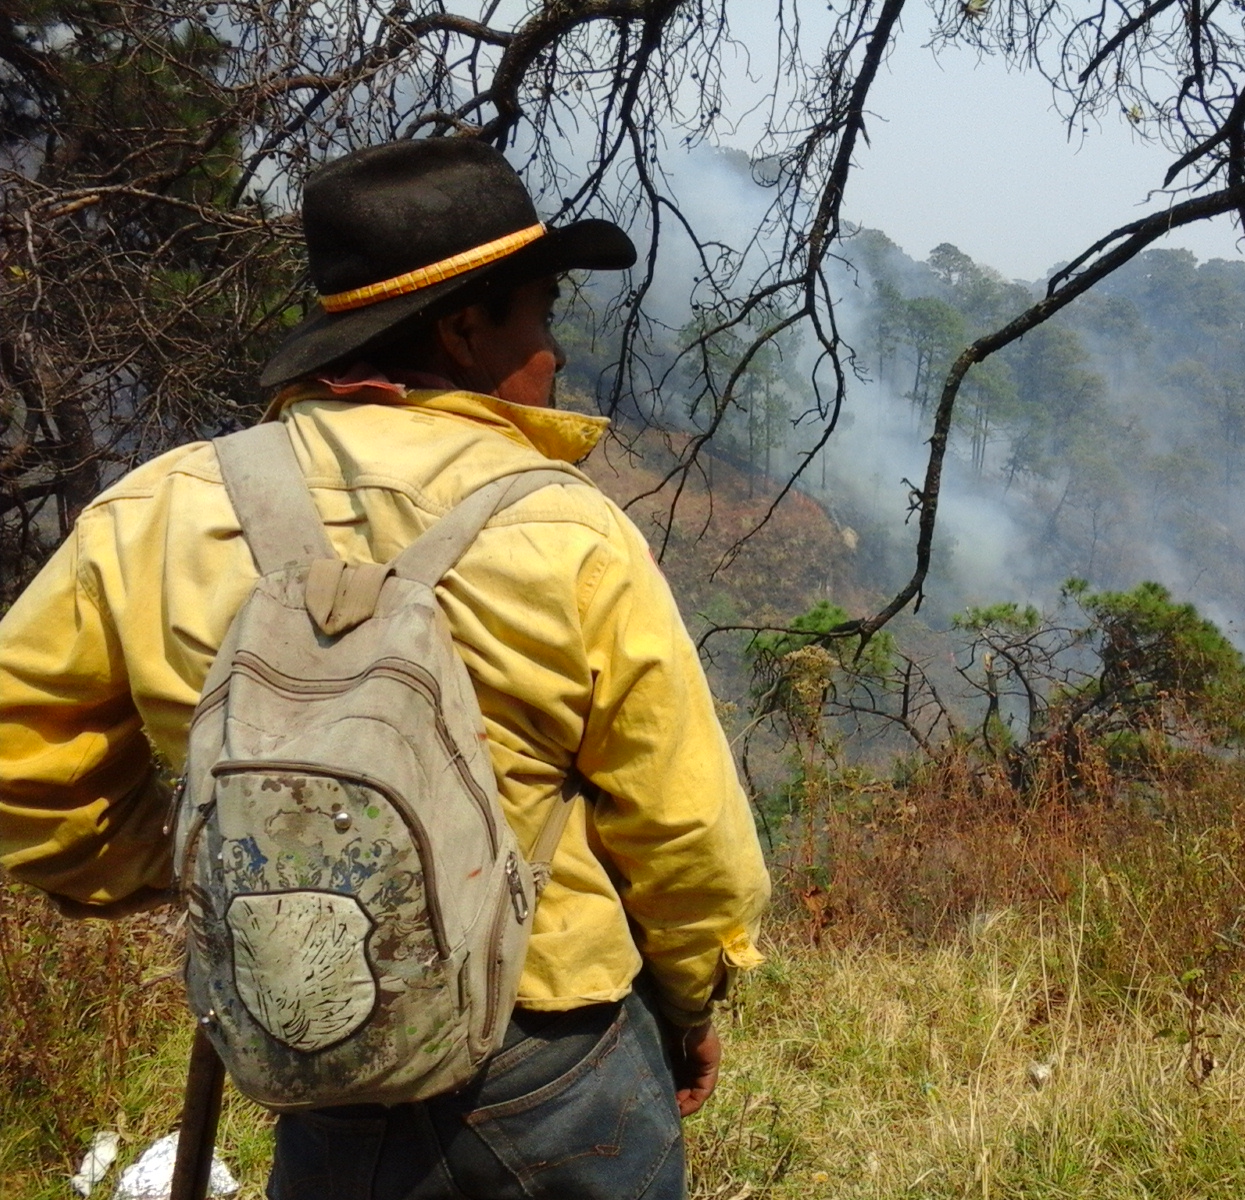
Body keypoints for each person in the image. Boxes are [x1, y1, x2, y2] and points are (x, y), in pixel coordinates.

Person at [0, 138, 771, 1200]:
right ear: (464, 327)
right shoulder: (567, 530)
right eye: (540, 314)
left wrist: (211, 871)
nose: (553, 352)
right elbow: (686, 834)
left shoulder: (155, 511)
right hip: (546, 1048)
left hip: (317, 1042)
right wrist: (689, 1002)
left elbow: (21, 757)